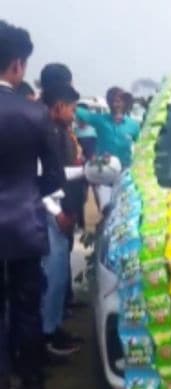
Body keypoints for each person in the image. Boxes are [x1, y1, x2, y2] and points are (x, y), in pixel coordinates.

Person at [0, 21, 66, 389]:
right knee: (26, 306)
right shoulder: (34, 114)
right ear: (18, 65)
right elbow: (55, 176)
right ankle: (34, 388)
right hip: (23, 224)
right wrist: (27, 193)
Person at [40, 83, 84, 358]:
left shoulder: (57, 131)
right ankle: (46, 337)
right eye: (72, 108)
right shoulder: (44, 131)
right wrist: (58, 212)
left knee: (56, 276)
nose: (74, 114)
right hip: (50, 211)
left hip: (59, 210)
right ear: (59, 106)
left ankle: (53, 327)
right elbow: (43, 177)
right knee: (50, 277)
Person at [76, 86, 140, 169]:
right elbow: (80, 112)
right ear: (108, 103)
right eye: (112, 101)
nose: (115, 104)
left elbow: (141, 146)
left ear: (124, 102)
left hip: (125, 170)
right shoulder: (100, 120)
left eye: (118, 101)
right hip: (103, 169)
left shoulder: (133, 125)